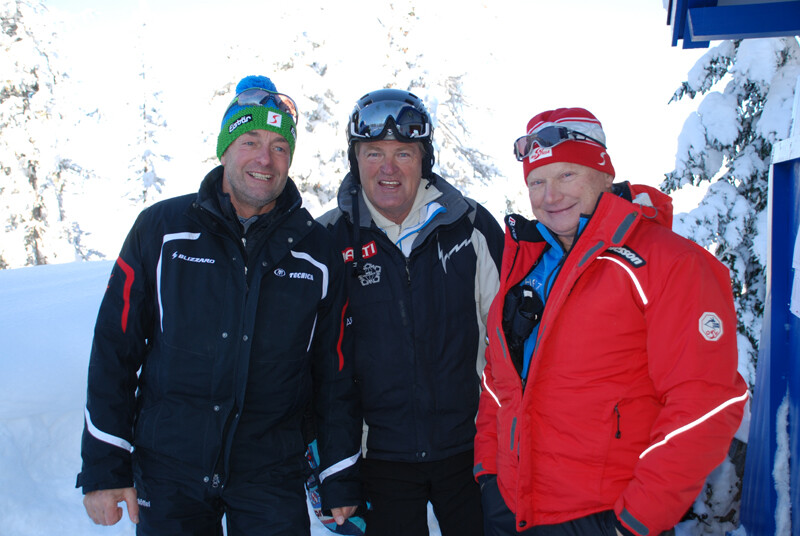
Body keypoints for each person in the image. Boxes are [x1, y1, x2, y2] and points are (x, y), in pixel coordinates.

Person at [76, 75, 361, 535]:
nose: (265, 159)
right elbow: (114, 349)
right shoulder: (162, 231)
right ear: (224, 150)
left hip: (271, 473)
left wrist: (338, 472)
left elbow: (335, 374)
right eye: (250, 141)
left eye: (279, 147)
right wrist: (105, 466)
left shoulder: (317, 252)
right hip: (169, 471)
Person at [473, 107, 749, 536]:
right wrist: (489, 474)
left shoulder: (670, 263)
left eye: (567, 175)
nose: (550, 196)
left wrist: (636, 518)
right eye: (537, 182)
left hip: (604, 516)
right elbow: (499, 382)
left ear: (604, 174)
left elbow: (706, 403)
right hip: (512, 508)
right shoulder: (528, 265)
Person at [318, 88, 504, 536]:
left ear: (425, 159)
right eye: (373, 153)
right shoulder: (326, 241)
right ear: (355, 159)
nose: (388, 168)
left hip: (472, 451)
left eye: (403, 152)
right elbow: (318, 369)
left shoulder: (470, 227)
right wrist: (335, 468)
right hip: (378, 460)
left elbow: (511, 345)